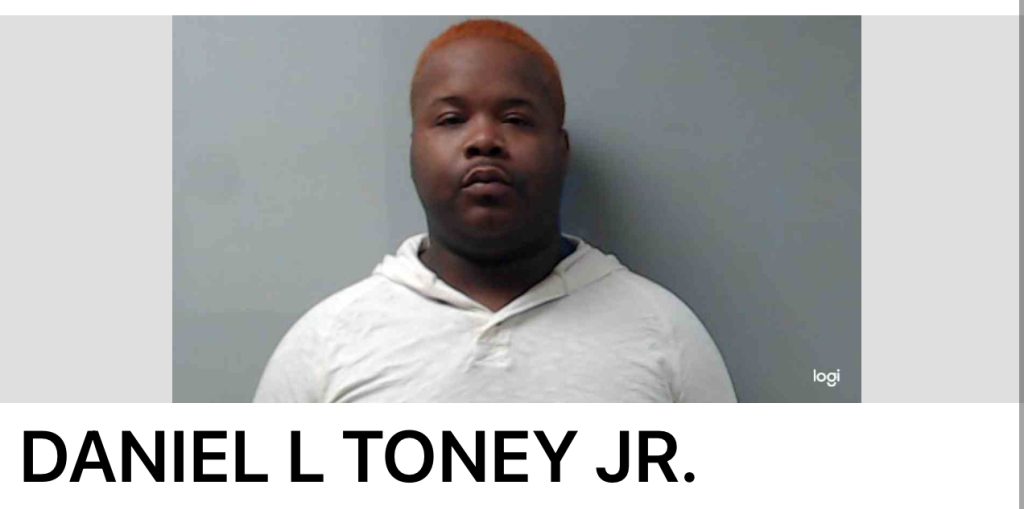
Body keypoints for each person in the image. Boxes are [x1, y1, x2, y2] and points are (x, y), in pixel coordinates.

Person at [254, 19, 736, 403]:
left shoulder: (665, 335)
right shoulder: (325, 344)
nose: (484, 140)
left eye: (516, 119)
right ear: (414, 150)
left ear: (561, 150)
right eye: (451, 119)